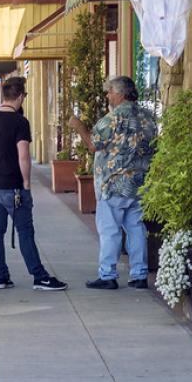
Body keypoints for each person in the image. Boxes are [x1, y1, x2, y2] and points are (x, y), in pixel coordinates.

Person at [0, 77, 67, 291]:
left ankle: (1, 276)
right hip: (13, 185)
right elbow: (23, 155)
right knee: (25, 230)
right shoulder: (19, 122)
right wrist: (26, 182)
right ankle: (39, 276)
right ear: (21, 96)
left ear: (4, 96)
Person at [69, 76, 156, 290]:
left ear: (121, 94)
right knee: (136, 228)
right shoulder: (148, 117)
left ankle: (108, 274)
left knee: (110, 230)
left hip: (113, 183)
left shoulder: (113, 118)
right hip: (139, 182)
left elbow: (94, 145)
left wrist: (79, 127)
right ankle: (139, 275)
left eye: (110, 92)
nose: (108, 96)